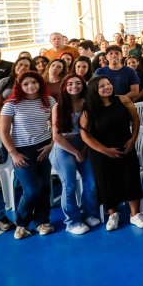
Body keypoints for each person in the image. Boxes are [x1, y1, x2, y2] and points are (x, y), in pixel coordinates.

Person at [80, 77, 143, 232]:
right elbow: (85, 135)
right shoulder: (89, 108)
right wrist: (105, 150)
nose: (107, 87)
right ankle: (112, 214)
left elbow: (136, 119)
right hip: (101, 152)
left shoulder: (123, 100)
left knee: (131, 178)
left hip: (125, 147)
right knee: (106, 181)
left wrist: (133, 138)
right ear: (94, 90)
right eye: (102, 86)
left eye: (108, 84)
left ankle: (135, 214)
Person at [0, 71, 55, 239]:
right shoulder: (12, 104)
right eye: (26, 84)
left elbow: (56, 124)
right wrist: (14, 153)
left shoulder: (49, 101)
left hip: (43, 148)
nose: (30, 86)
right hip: (22, 150)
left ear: (40, 83)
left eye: (34, 82)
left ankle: (42, 222)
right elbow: (4, 132)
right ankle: (22, 224)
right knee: (31, 189)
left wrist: (51, 145)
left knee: (45, 187)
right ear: (20, 86)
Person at [49, 74, 100, 234]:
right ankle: (72, 221)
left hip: (84, 144)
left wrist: (84, 149)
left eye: (78, 83)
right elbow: (56, 136)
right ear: (64, 86)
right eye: (70, 83)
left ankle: (89, 213)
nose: (74, 86)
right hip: (63, 147)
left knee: (91, 183)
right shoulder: (58, 106)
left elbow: (90, 130)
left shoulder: (87, 104)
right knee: (69, 185)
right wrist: (76, 152)